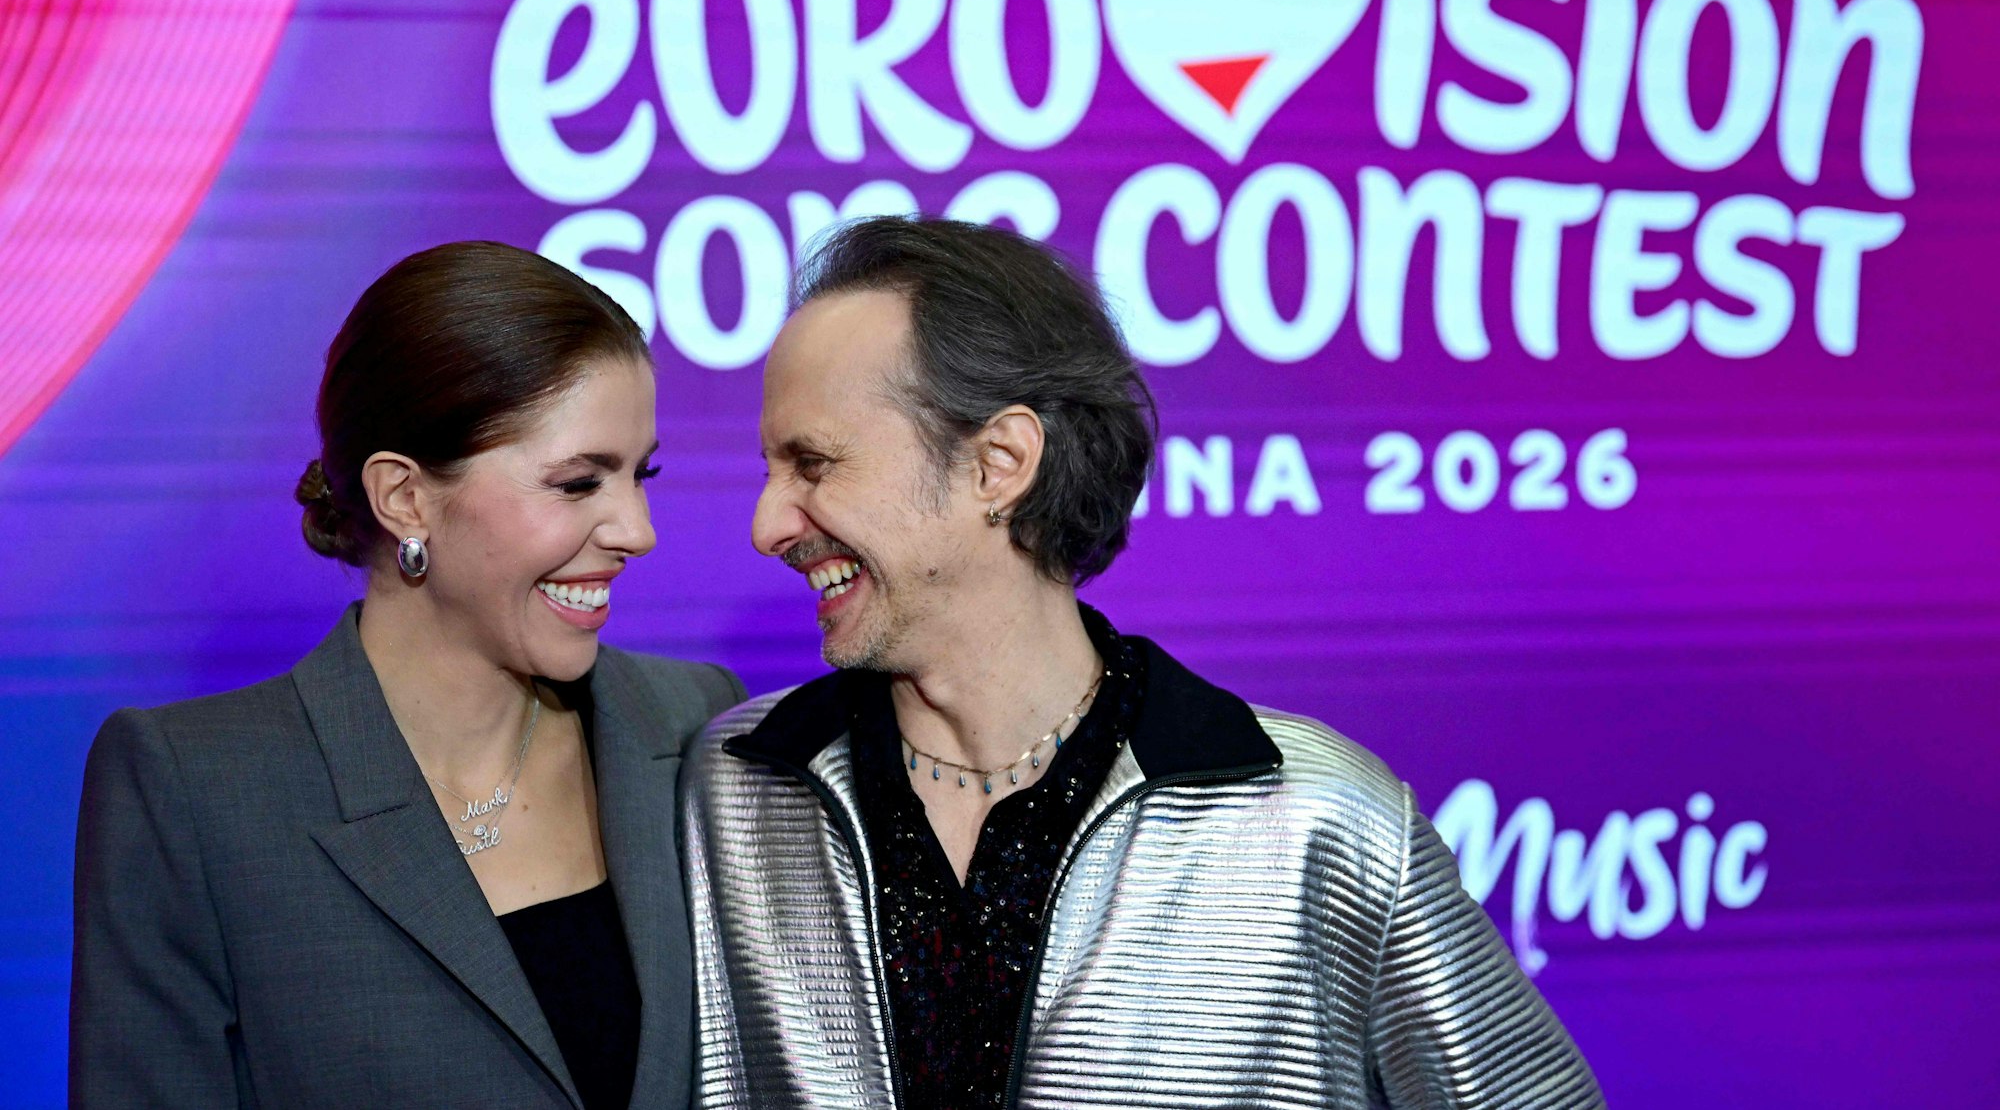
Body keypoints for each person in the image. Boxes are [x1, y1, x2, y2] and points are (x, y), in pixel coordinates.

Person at [681, 217, 1604, 1109]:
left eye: (812, 463)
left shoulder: (1314, 819)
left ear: (998, 463)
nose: (767, 524)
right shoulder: (729, 793)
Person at [71, 241, 742, 1109]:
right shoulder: (194, 791)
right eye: (579, 483)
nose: (637, 528)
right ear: (404, 498)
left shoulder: (696, 723)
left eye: (639, 474)